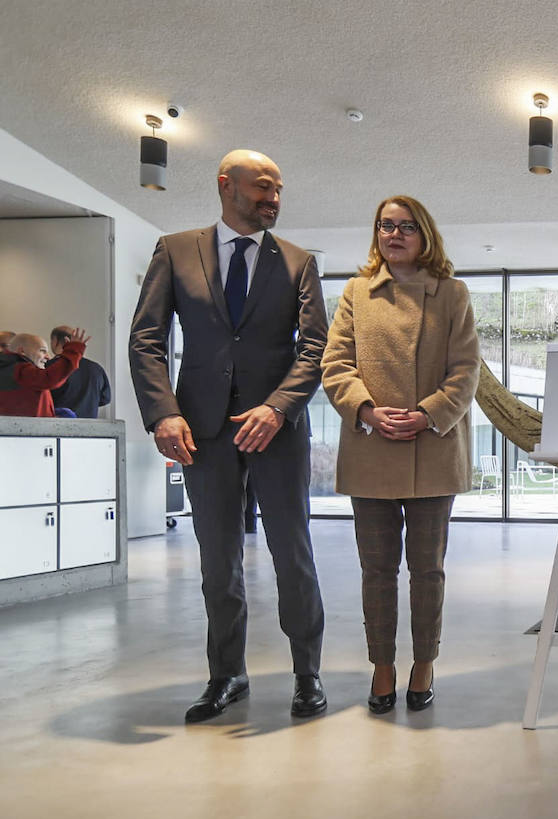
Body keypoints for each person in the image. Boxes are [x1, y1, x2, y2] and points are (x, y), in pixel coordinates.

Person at [128, 149, 330, 722]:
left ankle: (307, 674)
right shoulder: (174, 250)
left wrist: (278, 407)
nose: (274, 199)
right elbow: (146, 338)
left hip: (277, 430)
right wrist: (163, 412)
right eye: (264, 188)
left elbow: (315, 347)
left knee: (293, 554)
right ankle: (226, 674)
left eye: (279, 190)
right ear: (226, 186)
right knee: (217, 558)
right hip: (202, 430)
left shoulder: (297, 261)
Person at [321, 196, 479, 713]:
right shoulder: (355, 293)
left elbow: (466, 369)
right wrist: (366, 411)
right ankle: (383, 667)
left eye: (406, 226)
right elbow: (336, 364)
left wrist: (429, 412)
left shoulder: (452, 294)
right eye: (386, 226)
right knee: (376, 571)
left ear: (424, 233)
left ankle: (425, 663)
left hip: (433, 450)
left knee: (427, 570)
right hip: (372, 450)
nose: (395, 234)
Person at [0, 329, 88, 416]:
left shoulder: (8, 368)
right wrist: (74, 349)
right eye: (42, 351)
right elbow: (49, 378)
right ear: (22, 351)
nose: (48, 357)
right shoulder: (20, 370)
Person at [50, 325, 111, 418]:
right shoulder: (97, 369)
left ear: (55, 341)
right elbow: (106, 398)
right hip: (89, 428)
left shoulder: (52, 366)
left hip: (58, 427)